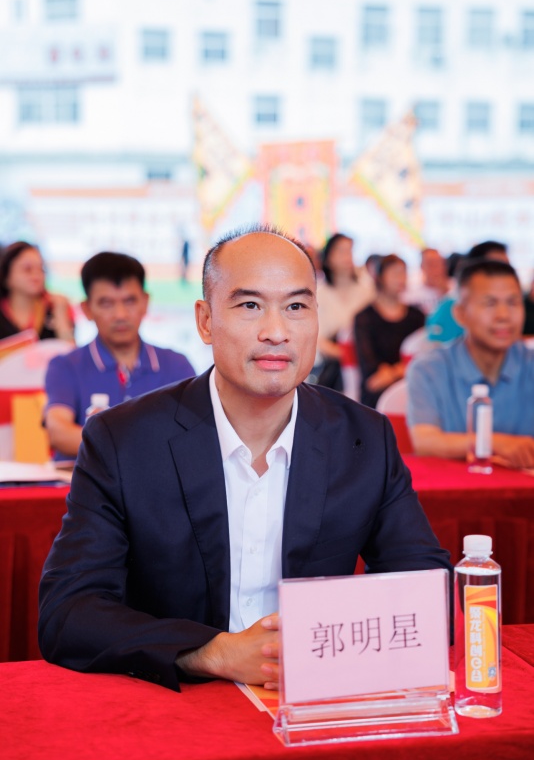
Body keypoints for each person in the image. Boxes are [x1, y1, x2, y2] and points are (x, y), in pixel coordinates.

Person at [38, 225, 451, 693]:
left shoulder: (364, 438)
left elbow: (430, 591)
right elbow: (68, 612)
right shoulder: (123, 440)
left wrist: (324, 644)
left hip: (314, 700)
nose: (276, 332)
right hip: (178, 702)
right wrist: (212, 653)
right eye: (250, 305)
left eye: (296, 307)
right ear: (205, 321)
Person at [44, 251, 195, 459]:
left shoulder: (176, 366)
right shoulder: (65, 365)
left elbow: (193, 432)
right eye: (106, 303)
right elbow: (58, 432)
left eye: (130, 301)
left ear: (145, 302)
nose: (120, 315)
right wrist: (133, 450)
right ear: (87, 309)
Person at [407, 260, 534, 470]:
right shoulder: (429, 369)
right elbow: (425, 442)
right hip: (455, 488)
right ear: (461, 314)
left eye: (513, 303)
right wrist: (496, 443)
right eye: (490, 303)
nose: (504, 316)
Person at [354, 254, 425, 408]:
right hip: (376, 397)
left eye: (403, 273)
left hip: (414, 389)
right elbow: (373, 379)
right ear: (380, 277)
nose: (401, 279)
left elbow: (423, 360)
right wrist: (403, 368)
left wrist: (392, 372)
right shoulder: (364, 318)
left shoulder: (417, 315)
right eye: (394, 273)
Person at [314, 233, 375, 394]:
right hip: (336, 368)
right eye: (341, 251)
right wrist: (346, 355)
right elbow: (318, 339)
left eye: (350, 251)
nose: (347, 257)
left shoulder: (367, 291)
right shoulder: (320, 294)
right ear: (328, 257)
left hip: (367, 366)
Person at [426, 241, 510, 344]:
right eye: (497, 269)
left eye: (508, 268)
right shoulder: (448, 309)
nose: (506, 275)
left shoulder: (511, 306)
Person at [0, 241, 74, 342]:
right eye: (27, 269)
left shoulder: (55, 307)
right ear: (6, 276)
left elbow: (71, 350)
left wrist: (61, 316)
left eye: (41, 269)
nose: (36, 275)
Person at [403, 247, 451, 316]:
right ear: (422, 266)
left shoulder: (457, 289)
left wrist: (446, 292)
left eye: (438, 263)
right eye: (430, 264)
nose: (435, 268)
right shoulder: (410, 295)